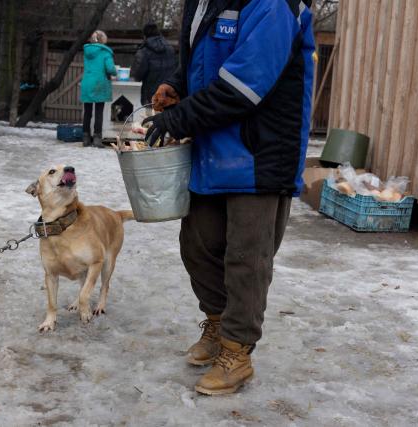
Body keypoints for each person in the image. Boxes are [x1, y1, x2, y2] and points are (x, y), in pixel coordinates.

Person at [144, 0, 314, 395]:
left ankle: (237, 351)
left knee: (246, 257)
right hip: (212, 147)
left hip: (260, 153)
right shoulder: (204, 2)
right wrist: (179, 84)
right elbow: (204, 60)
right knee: (198, 245)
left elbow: (245, 84)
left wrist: (179, 118)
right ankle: (218, 326)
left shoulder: (274, 5)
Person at [80, 30, 117, 148]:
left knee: (87, 112)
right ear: (103, 40)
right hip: (99, 84)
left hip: (87, 83)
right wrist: (115, 72)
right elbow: (110, 69)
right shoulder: (105, 52)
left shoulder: (87, 51)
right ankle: (97, 139)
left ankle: (85, 139)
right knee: (98, 112)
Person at [130, 23, 177, 107]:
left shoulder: (143, 51)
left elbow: (137, 76)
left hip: (151, 97)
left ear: (144, 35)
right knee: (167, 118)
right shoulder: (170, 49)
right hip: (169, 94)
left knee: (150, 119)